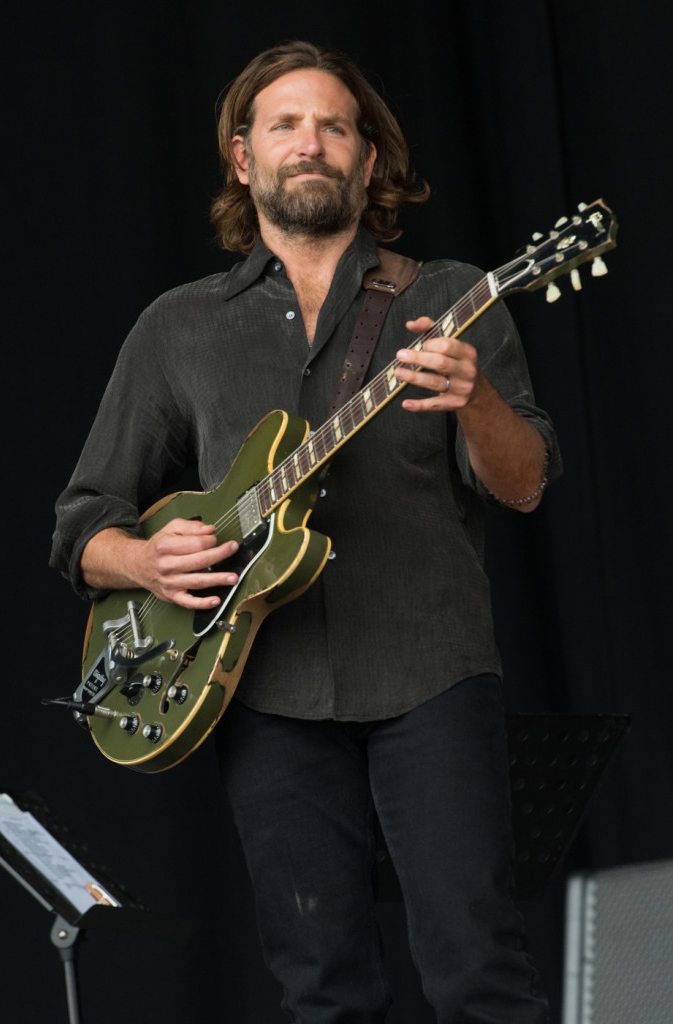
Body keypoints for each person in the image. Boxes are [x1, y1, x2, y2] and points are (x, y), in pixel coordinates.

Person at [51, 39, 561, 1023]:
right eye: (284, 124)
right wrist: (145, 558)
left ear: (371, 161)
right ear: (243, 158)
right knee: (319, 988)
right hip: (263, 690)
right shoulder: (177, 326)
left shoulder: (447, 298)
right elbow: (82, 523)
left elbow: (528, 483)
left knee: (477, 972)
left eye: (334, 125)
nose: (310, 143)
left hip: (432, 674)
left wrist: (475, 400)